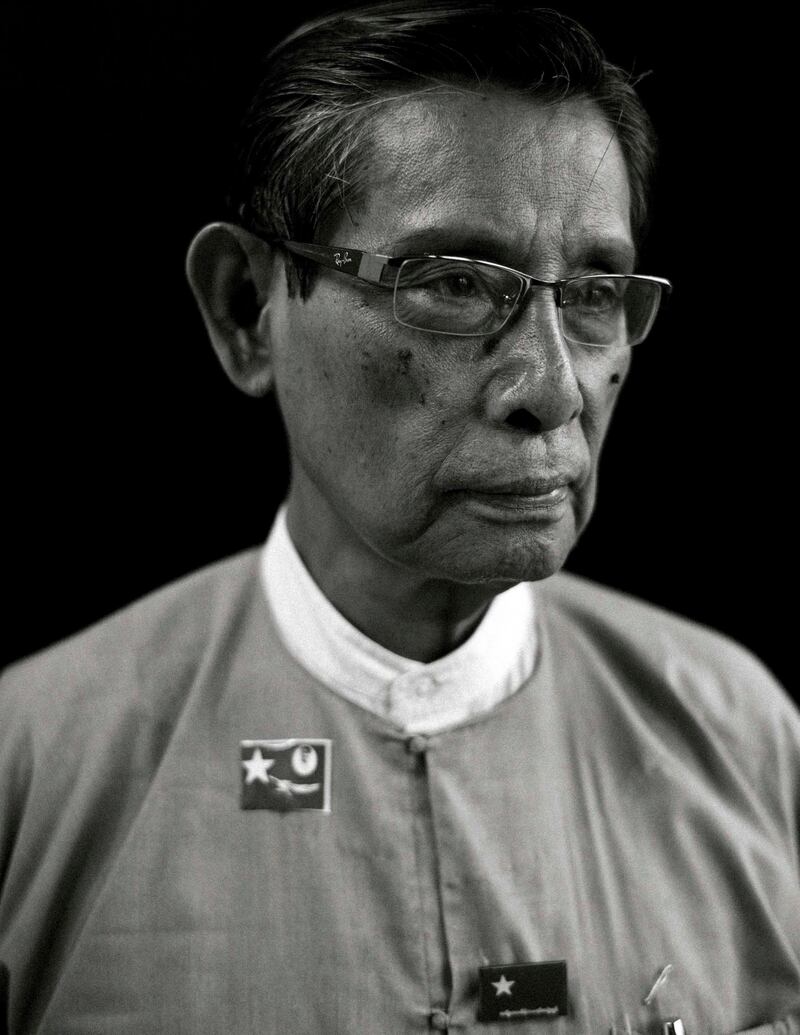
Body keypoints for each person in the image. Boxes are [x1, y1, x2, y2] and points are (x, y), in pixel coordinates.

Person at [1, 2, 798, 1032]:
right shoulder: (35, 772)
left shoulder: (741, 743)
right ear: (247, 310)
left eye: (594, 291)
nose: (551, 389)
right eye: (454, 283)